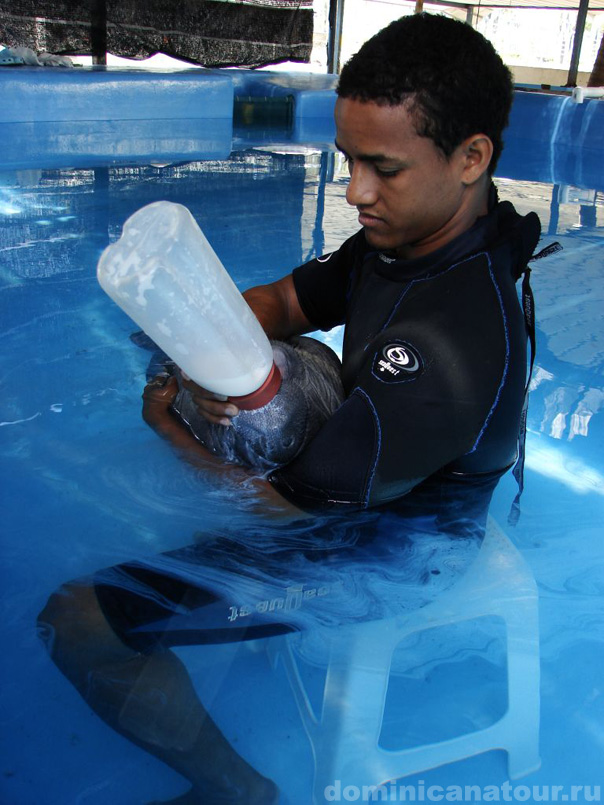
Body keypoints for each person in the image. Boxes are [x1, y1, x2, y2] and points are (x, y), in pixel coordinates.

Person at [37, 13, 541, 805]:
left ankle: (239, 789)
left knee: (75, 621)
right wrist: (196, 339)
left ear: (472, 157)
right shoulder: (408, 241)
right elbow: (279, 302)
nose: (355, 192)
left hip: (389, 551)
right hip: (364, 475)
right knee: (292, 359)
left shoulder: (448, 348)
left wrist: (170, 425)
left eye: (383, 168)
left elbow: (289, 516)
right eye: (348, 162)